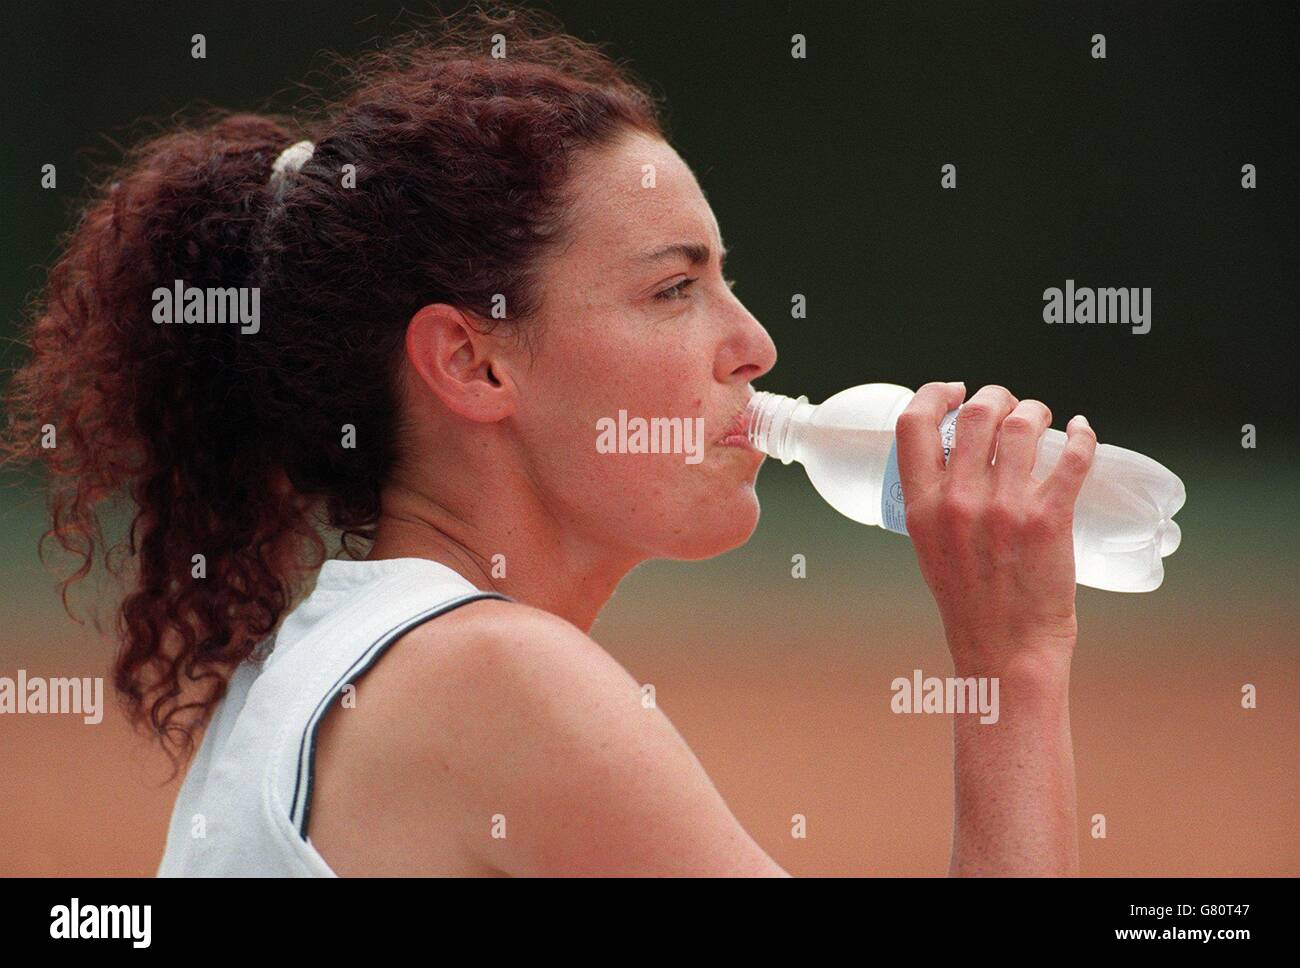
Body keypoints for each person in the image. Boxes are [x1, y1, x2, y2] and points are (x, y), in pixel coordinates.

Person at [1, 6, 1096, 876]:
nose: (754, 343)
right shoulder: (496, 678)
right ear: (473, 364)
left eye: (727, 280)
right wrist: (1014, 662)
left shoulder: (350, 658)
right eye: (674, 288)